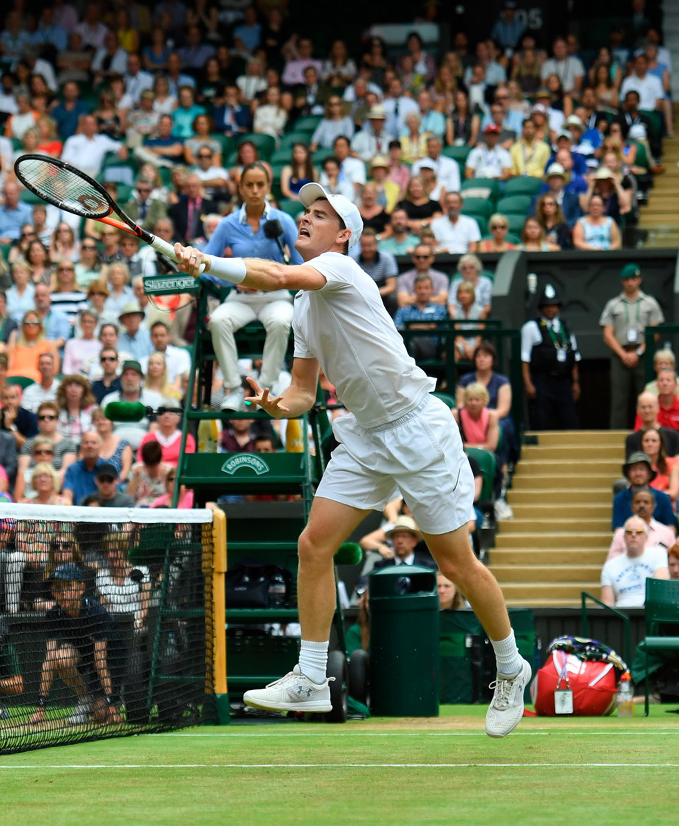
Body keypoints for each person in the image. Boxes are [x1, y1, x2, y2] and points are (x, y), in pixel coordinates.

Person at [170, 180, 529, 737]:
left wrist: (210, 262)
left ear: (343, 235)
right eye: (305, 212)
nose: (307, 219)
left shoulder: (341, 270)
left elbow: (279, 274)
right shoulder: (305, 310)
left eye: (320, 214)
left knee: (457, 563)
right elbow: (305, 394)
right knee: (313, 544)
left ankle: (511, 668)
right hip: (365, 434)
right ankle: (313, 677)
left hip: (418, 428)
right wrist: (275, 405)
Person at [199, 163, 300, 411]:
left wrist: (278, 278)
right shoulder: (227, 224)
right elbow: (206, 266)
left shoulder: (284, 221)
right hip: (239, 298)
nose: (255, 190)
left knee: (280, 321)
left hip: (275, 296)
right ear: (241, 188)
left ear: (268, 187)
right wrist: (234, 280)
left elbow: (301, 266)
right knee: (219, 320)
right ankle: (233, 389)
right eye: (249, 185)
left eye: (260, 185)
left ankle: (264, 389)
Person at [28, 564, 120, 726]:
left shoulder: (96, 612)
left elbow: (101, 662)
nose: (63, 593)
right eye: (58, 588)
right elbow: (49, 659)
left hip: (111, 659)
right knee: (59, 657)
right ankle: (85, 699)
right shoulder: (54, 614)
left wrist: (111, 704)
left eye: (69, 586)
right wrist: (40, 707)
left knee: (101, 715)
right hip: (83, 653)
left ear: (81, 588)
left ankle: (115, 698)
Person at [600, 264, 664, 429]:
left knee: (645, 394)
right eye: (627, 279)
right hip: (620, 352)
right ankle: (616, 433)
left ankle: (646, 430)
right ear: (622, 281)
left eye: (633, 279)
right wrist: (623, 354)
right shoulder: (613, 304)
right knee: (619, 396)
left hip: (643, 352)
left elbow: (655, 331)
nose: (630, 283)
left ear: (639, 280)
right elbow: (607, 334)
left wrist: (639, 352)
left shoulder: (650, 303)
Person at [519, 284, 579, 431]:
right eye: (547, 306)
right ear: (541, 307)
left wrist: (575, 382)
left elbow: (575, 356)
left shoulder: (565, 326)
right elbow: (525, 358)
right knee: (541, 418)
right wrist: (528, 383)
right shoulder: (531, 327)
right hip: (542, 380)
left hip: (564, 380)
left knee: (569, 419)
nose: (551, 309)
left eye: (554, 305)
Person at [599, 515, 668, 607]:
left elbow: (661, 589)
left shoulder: (658, 553)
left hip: (652, 612)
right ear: (623, 537)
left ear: (646, 537)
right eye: (629, 532)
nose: (633, 535)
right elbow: (607, 605)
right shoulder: (610, 566)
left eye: (639, 532)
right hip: (622, 615)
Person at [612, 451, 678, 530]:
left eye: (642, 469)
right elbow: (618, 529)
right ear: (628, 474)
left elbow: (671, 527)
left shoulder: (663, 498)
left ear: (649, 474)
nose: (638, 473)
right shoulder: (619, 499)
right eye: (634, 469)